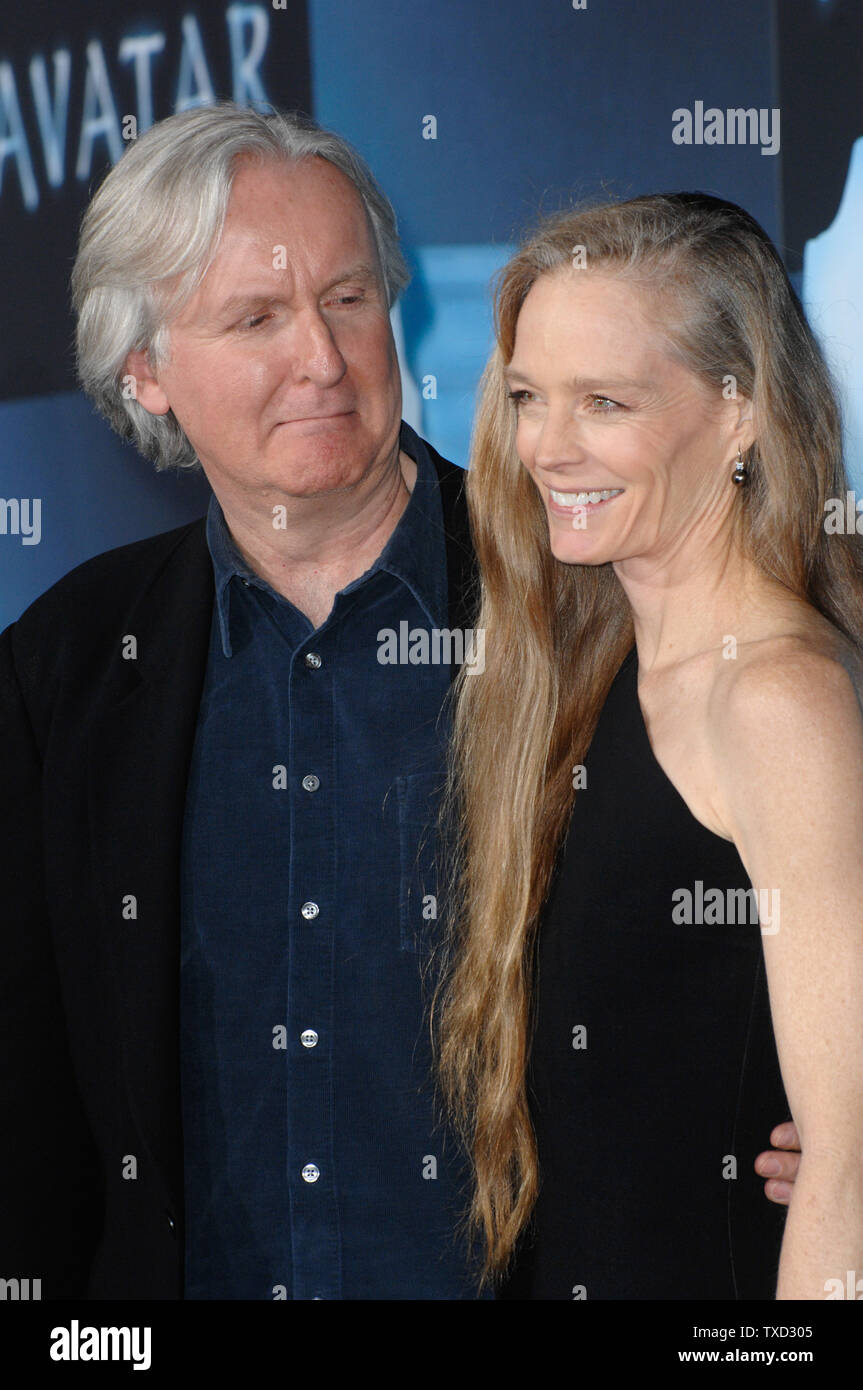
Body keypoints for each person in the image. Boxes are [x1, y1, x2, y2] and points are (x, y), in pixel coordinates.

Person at [0, 104, 797, 1301]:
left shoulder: (605, 609)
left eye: (347, 298)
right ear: (147, 373)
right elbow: (34, 1114)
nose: (321, 360)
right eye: (258, 318)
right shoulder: (62, 671)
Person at [437, 192, 863, 1300]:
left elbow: (844, 1177)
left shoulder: (775, 699)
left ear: (737, 413)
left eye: (604, 402)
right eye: (528, 397)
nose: (546, 446)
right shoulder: (593, 664)